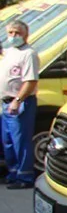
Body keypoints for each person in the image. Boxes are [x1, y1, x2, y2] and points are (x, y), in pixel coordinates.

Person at [2, 19, 38, 190]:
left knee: (20, 142)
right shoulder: (9, 52)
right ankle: (13, 173)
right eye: (11, 32)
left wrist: (18, 100)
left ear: (26, 34)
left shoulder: (29, 54)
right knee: (8, 141)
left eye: (18, 33)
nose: (14, 36)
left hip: (20, 102)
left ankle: (25, 176)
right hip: (5, 103)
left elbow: (30, 81)